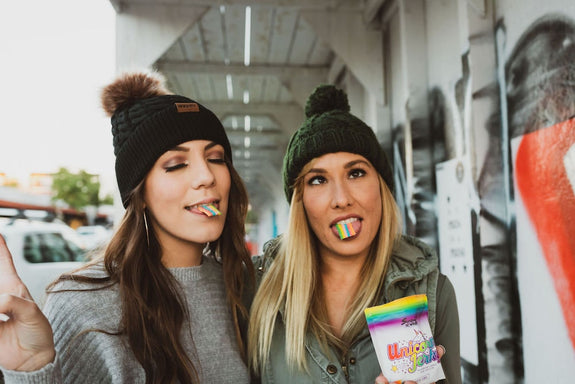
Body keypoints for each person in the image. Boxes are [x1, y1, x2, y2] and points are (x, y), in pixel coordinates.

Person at [0, 71, 254, 383]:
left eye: (216, 158)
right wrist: (31, 368)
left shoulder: (241, 288)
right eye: (176, 164)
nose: (206, 176)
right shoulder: (82, 303)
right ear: (139, 194)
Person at [247, 85, 461, 383]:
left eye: (356, 173)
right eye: (318, 179)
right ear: (301, 202)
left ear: (380, 186)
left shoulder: (431, 292)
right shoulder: (257, 290)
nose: (341, 198)